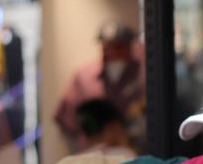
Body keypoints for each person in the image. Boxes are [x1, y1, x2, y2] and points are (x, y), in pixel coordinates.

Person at [54, 21, 145, 152]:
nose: (112, 51)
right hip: (93, 153)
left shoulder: (144, 75)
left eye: (119, 46)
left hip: (135, 152)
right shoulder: (84, 76)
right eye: (107, 46)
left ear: (129, 46)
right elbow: (65, 119)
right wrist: (79, 152)